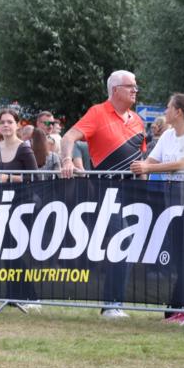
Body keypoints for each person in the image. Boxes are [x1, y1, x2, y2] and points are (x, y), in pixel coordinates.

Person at [60, 70, 146, 319]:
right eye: (131, 86)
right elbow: (69, 136)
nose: (135, 90)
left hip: (133, 190)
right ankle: (111, 304)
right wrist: (66, 160)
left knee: (129, 242)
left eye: (136, 87)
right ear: (115, 89)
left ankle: (114, 302)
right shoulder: (98, 112)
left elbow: (139, 158)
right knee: (122, 240)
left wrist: (145, 182)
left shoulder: (138, 120)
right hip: (108, 189)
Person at [130, 93, 184, 324]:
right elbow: (153, 161)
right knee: (181, 257)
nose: (164, 111)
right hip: (174, 201)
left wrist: (146, 167)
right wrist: (143, 166)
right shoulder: (167, 135)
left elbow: (182, 164)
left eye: (167, 107)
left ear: (178, 112)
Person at [0, 108, 36, 182]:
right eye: (2, 122)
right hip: (1, 192)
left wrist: (9, 178)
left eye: (10, 122)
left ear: (17, 125)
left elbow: (35, 177)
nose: (5, 125)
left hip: (21, 193)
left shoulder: (24, 149)